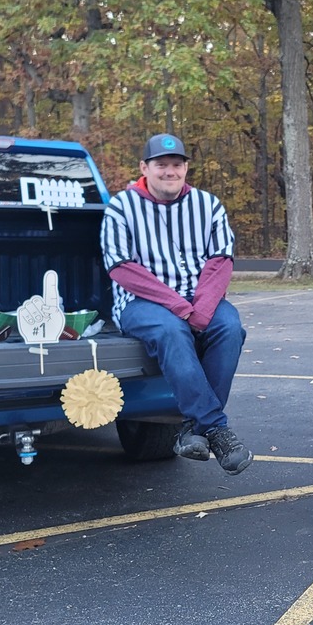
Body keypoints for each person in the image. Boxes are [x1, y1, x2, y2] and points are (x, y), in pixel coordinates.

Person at [100, 133, 252, 475]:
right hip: (141, 302)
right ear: (145, 168)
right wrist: (183, 310)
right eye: (161, 165)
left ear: (185, 168)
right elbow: (123, 268)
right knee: (172, 331)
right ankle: (214, 428)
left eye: (177, 165)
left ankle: (192, 430)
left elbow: (221, 260)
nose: (170, 171)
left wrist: (201, 307)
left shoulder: (207, 204)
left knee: (229, 328)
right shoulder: (121, 207)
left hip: (200, 298)